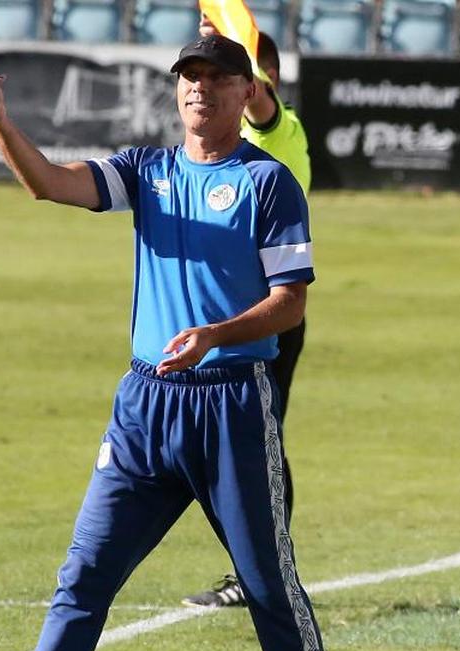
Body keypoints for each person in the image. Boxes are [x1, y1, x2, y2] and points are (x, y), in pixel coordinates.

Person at [0, 34, 343, 651]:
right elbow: (51, 185)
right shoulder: (148, 171)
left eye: (216, 79)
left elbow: (290, 303)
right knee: (84, 575)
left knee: (266, 585)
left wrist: (216, 336)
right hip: (145, 408)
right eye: (189, 78)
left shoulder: (268, 184)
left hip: (230, 401)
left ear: (242, 92)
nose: (200, 90)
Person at [183, 23, 313, 609]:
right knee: (225, 447)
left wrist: (237, 32)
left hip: (266, 316)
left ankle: (261, 570)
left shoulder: (278, 127)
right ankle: (256, 567)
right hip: (218, 315)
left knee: (256, 447)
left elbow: (258, 98)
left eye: (226, 75)